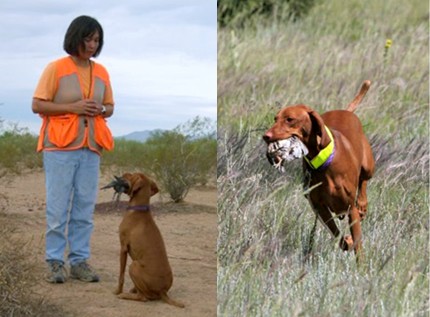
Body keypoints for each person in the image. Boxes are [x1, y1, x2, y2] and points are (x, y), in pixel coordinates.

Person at [32, 15, 114, 283]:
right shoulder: (56, 68)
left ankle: (79, 261)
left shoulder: (101, 71)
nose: (92, 45)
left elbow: (110, 107)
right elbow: (38, 105)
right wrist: (74, 107)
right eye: (88, 39)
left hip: (90, 148)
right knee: (58, 210)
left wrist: (101, 109)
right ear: (75, 38)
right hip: (59, 148)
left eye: (97, 40)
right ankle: (55, 262)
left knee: (84, 209)